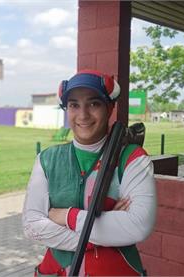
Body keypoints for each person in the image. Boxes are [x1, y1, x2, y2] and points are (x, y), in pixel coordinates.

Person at [22, 70, 156, 276]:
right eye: (74, 105)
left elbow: (138, 226)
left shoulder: (133, 158)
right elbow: (32, 226)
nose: (83, 114)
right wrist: (107, 233)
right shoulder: (47, 159)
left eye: (94, 103)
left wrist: (67, 216)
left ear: (109, 108)